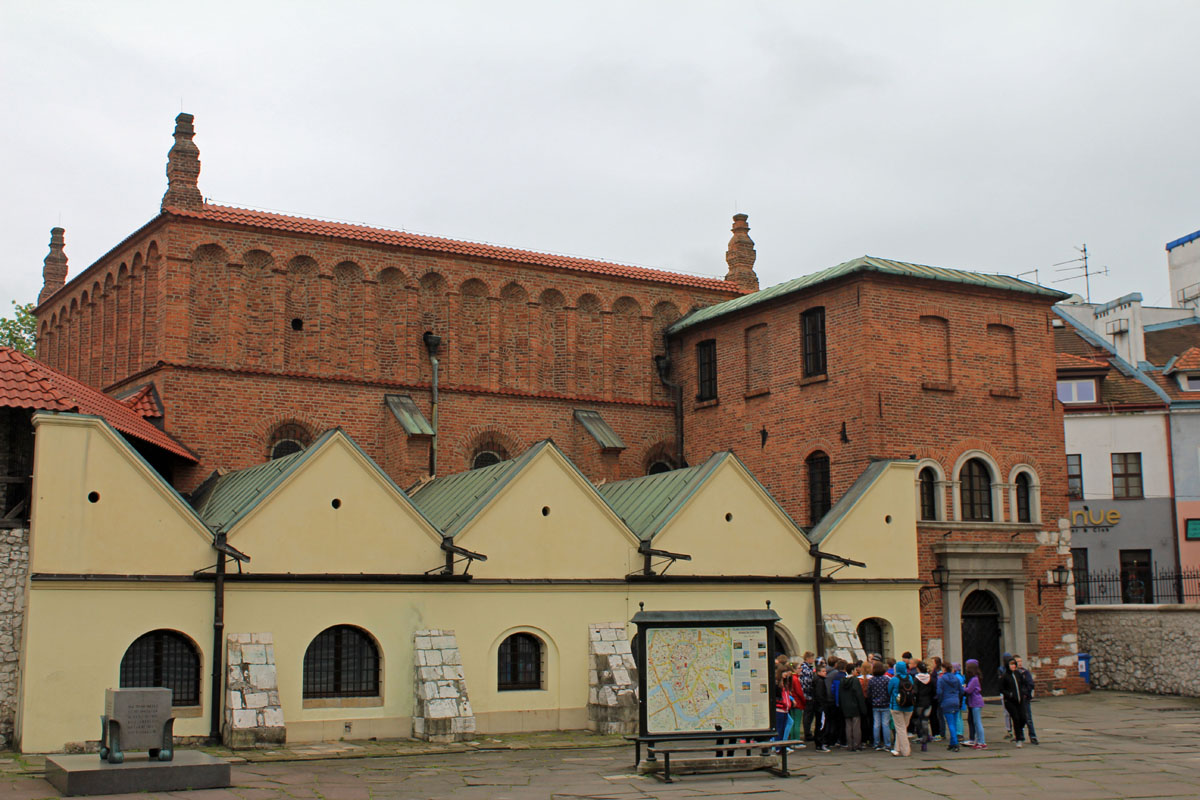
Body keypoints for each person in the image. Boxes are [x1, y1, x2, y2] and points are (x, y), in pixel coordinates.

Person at [887, 659, 915, 756]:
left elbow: (889, 691)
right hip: (909, 707)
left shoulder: (894, 679)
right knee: (903, 728)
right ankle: (897, 748)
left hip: (896, 706)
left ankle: (905, 750)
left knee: (900, 729)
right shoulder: (910, 678)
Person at [1000, 656, 1028, 747]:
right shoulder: (1005, 676)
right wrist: (1010, 694)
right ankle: (1019, 738)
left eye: (1014, 664)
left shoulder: (1018, 674)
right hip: (1010, 701)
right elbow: (1001, 689)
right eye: (1011, 664)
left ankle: (1019, 731)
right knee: (1015, 718)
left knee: (1023, 717)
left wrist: (1024, 692)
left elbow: (1023, 684)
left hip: (1020, 700)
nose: (1013, 666)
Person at [936, 661, 964, 752]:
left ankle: (955, 743)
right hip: (955, 701)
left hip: (946, 702)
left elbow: (939, 692)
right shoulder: (956, 678)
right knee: (954, 723)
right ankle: (952, 743)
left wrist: (940, 700)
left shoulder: (941, 679)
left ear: (943, 669)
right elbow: (961, 691)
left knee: (950, 723)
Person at [840, 662, 868, 751]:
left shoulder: (842, 680)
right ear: (852, 671)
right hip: (855, 706)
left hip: (845, 706)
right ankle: (856, 745)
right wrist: (863, 708)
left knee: (848, 726)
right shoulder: (855, 680)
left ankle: (850, 744)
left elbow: (840, 694)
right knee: (856, 726)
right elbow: (859, 695)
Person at [867, 660, 892, 751]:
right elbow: (889, 691)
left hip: (875, 705)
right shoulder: (886, 679)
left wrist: (872, 700)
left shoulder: (871, 680)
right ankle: (887, 744)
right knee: (885, 724)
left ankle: (876, 743)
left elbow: (869, 693)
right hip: (885, 704)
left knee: (876, 725)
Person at [912, 660, 936, 752]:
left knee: (918, 721)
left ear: (918, 669)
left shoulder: (916, 678)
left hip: (919, 703)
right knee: (925, 721)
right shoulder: (930, 678)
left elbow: (916, 691)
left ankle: (921, 737)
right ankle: (926, 739)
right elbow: (934, 690)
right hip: (928, 702)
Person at [963, 659, 986, 749]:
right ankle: (978, 740)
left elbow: (969, 690)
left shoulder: (974, 679)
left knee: (977, 722)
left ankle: (982, 742)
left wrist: (962, 688)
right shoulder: (975, 678)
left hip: (976, 702)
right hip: (974, 702)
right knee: (976, 722)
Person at [1015, 655, 1039, 744]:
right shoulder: (1013, 673)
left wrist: (1025, 693)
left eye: (1021, 661)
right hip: (1016, 699)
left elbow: (1030, 684)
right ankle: (1019, 735)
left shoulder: (1025, 672)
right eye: (1018, 661)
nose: (1020, 663)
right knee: (1018, 718)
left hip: (1024, 698)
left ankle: (1032, 736)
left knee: (1028, 718)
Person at [811, 662, 834, 752]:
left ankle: (819, 742)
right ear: (819, 672)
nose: (825, 673)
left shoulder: (817, 680)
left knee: (819, 724)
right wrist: (823, 705)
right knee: (821, 725)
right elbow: (820, 695)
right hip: (821, 707)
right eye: (823, 671)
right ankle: (820, 743)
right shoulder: (820, 681)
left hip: (818, 706)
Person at [798, 651, 817, 741]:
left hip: (808, 694)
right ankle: (807, 733)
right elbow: (807, 682)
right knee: (808, 715)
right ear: (807, 658)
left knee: (809, 715)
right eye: (812, 658)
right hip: (808, 695)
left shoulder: (808, 667)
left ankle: (808, 732)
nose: (813, 660)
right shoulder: (805, 668)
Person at [787, 663, 807, 749]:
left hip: (791, 702)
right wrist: (804, 701)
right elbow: (799, 692)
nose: (801, 670)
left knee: (792, 722)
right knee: (797, 723)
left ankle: (791, 740)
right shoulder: (795, 679)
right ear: (794, 670)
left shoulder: (790, 678)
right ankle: (797, 741)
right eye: (799, 668)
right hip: (797, 703)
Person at [999, 652, 1013, 740]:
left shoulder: (1013, 669)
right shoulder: (1001, 669)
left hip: (1009, 693)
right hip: (1006, 693)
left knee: (1009, 713)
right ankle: (1009, 730)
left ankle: (1011, 730)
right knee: (1007, 713)